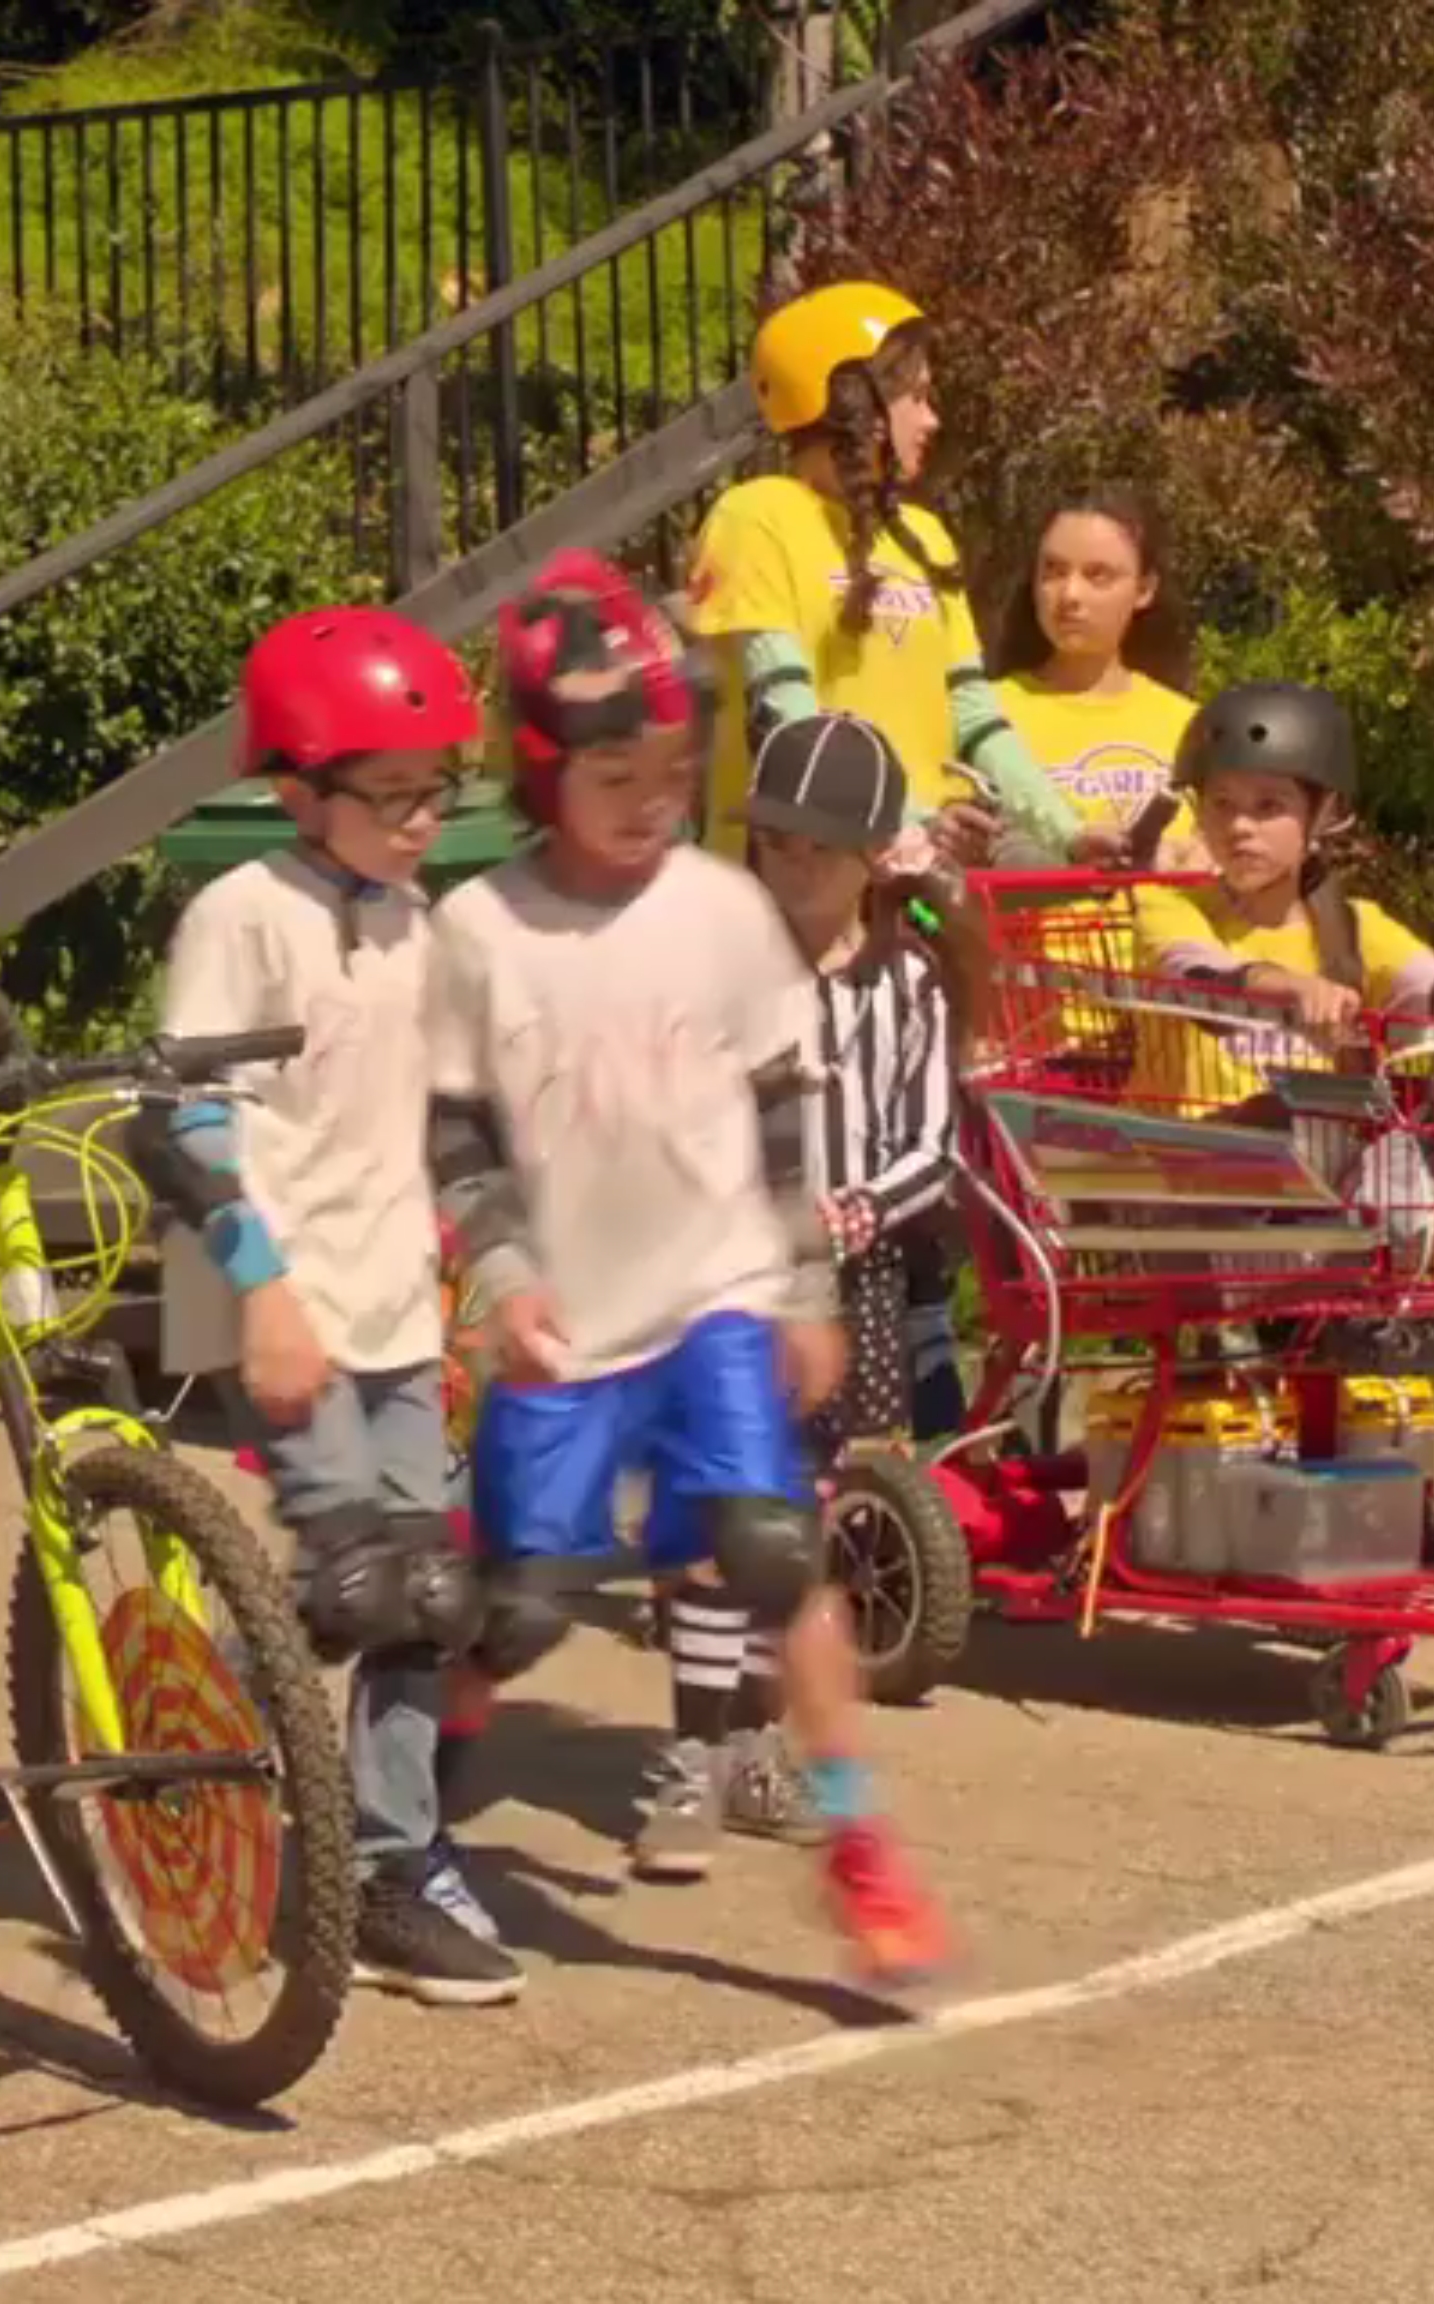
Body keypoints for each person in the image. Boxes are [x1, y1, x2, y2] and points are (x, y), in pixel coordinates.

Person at [430, 550, 954, 1984]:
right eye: (619, 775)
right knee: (526, 1601)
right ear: (541, 774)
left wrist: (791, 1282)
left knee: (776, 1552)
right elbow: (457, 1131)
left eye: (676, 766)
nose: (657, 798)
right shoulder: (480, 932)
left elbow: (784, 1099)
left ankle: (856, 1843)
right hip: (569, 1318)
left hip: (715, 1290)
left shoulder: (721, 907)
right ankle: (406, 1800)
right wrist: (499, 1271)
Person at [141, 605, 520, 2008]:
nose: (426, 819)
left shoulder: (418, 930)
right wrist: (263, 1293)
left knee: (422, 1595)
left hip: (399, 1313)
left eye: (442, 790)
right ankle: (228, 1786)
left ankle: (379, 1859)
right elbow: (180, 1122)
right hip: (282, 1301)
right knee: (360, 1581)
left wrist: (504, 1283)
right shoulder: (242, 917)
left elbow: (448, 1131)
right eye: (395, 795)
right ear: (297, 786)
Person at [683, 711, 964, 1846]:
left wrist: (861, 1208)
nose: (791, 868)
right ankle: (733, 1742)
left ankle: (769, 1734)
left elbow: (933, 1141)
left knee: (807, 1514)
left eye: (817, 848)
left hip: (848, 1283)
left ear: (870, 859)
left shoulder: (911, 985)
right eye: (776, 844)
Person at [683, 278, 1111, 876]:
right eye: (917, 397)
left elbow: (973, 714)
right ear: (856, 400)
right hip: (785, 890)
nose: (933, 420)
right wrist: (910, 820)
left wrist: (1068, 831)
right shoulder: (755, 517)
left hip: (913, 885)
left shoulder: (924, 536)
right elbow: (786, 717)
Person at [1127, 680, 1434, 1120]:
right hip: (1199, 1159)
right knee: (1273, 1112)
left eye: (1268, 806)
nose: (1240, 826)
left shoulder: (1353, 927)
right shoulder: (1168, 906)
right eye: (1221, 804)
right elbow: (1199, 971)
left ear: (1323, 813)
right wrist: (1295, 987)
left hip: (1321, 1157)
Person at [988, 479, 1210, 872]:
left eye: (1098, 576)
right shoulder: (987, 715)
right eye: (1053, 571)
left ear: (1144, 589)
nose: (1070, 594)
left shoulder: (1191, 725)